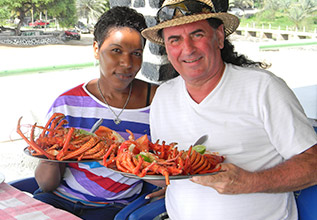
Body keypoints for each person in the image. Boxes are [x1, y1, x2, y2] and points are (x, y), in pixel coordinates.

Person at [141, 0, 317, 219]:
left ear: (220, 36)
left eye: (197, 35)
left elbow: (313, 164)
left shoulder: (263, 88)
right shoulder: (164, 97)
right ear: (166, 48)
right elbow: (170, 170)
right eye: (175, 39)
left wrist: (250, 182)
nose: (187, 48)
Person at [33, 6, 157, 220]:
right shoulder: (67, 104)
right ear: (96, 49)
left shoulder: (158, 102)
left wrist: (173, 188)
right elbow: (46, 185)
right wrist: (49, 157)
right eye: (116, 50)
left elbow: (171, 167)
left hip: (116, 209)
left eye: (136, 54)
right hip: (60, 199)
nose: (127, 64)